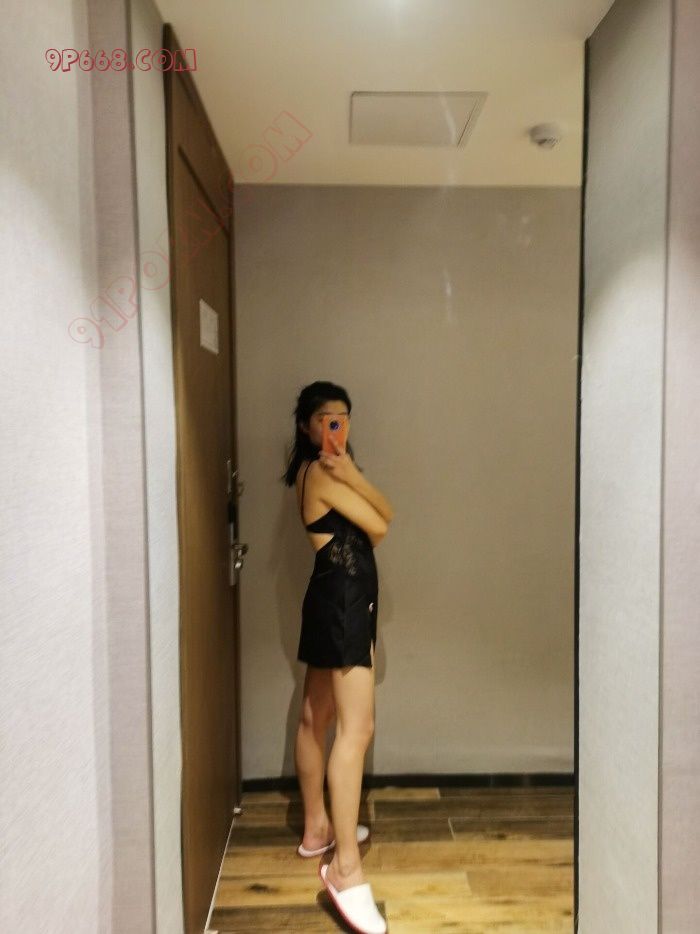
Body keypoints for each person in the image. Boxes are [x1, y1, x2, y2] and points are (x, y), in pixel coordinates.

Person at [282, 381, 394, 933]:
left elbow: (377, 522)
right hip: (344, 602)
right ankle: (345, 868)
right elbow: (381, 521)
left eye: (343, 418)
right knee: (357, 729)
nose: (337, 428)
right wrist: (353, 476)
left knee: (316, 716)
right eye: (327, 419)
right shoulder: (323, 473)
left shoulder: (316, 472)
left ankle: (316, 830)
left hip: (333, 597)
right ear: (307, 427)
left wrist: (351, 474)